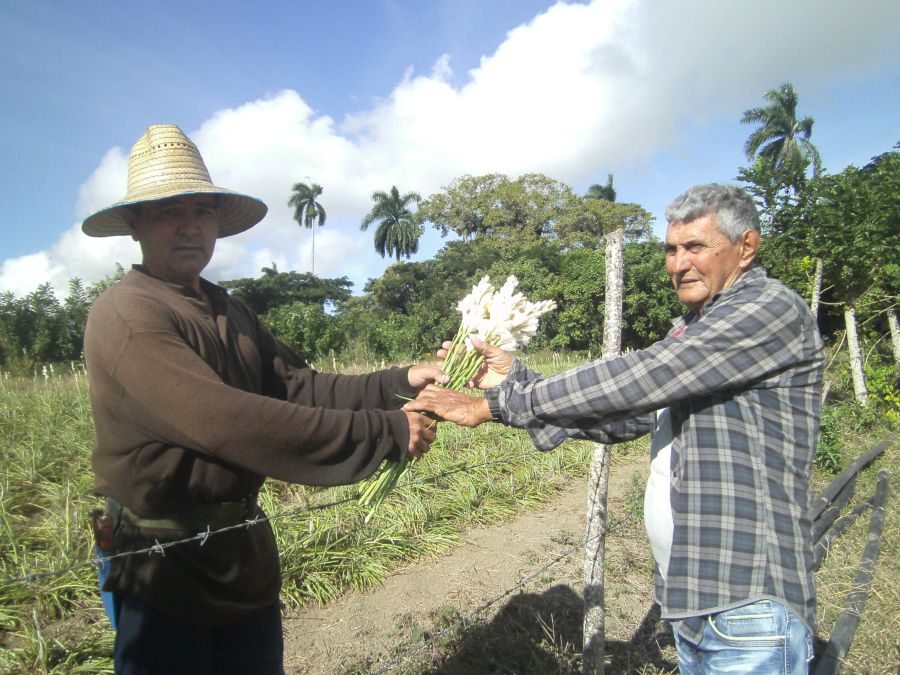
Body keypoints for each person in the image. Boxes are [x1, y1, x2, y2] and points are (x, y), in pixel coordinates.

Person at [405, 184, 823, 674]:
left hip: (748, 603)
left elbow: (640, 377)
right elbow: (625, 417)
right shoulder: (696, 329)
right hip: (697, 596)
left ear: (745, 247)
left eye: (696, 247)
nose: (678, 263)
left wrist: (495, 404)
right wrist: (512, 380)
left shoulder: (767, 310)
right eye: (671, 249)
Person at [81, 124, 440, 674]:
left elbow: (300, 385)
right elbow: (225, 421)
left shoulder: (229, 310)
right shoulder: (127, 313)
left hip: (240, 555)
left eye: (202, 211)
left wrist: (401, 380)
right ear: (134, 224)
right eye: (168, 212)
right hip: (163, 570)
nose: (190, 227)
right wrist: (386, 432)